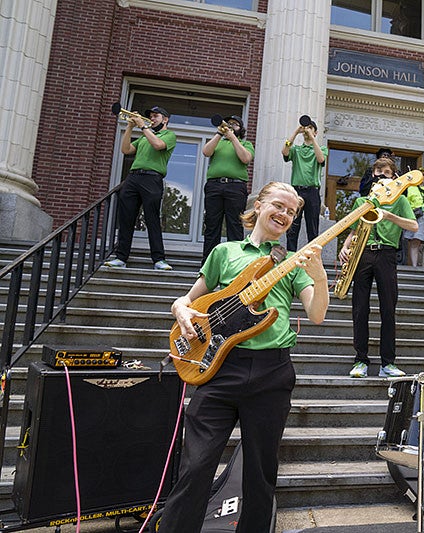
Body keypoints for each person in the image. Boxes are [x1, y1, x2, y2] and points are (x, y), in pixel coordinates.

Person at [156, 182, 329, 532]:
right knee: (195, 466)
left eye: (291, 212)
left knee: (260, 473)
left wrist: (320, 275)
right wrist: (179, 310)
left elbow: (316, 314)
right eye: (278, 206)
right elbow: (187, 301)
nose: (284, 214)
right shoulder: (225, 252)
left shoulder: (293, 262)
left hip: (271, 372)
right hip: (219, 369)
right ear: (259, 205)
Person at [340, 157, 418, 378]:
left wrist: (389, 215)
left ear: (394, 177)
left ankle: (387, 364)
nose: (382, 174)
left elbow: (414, 225)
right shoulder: (361, 202)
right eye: (378, 170)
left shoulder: (400, 201)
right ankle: (360, 360)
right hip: (362, 253)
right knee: (360, 309)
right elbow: (354, 230)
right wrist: (345, 248)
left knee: (388, 309)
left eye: (387, 171)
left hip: (386, 254)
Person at [105, 106, 176, 270]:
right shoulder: (144, 137)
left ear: (165, 119)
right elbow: (126, 149)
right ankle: (121, 257)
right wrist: (130, 127)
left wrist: (143, 126)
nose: (152, 118)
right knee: (126, 218)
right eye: (150, 116)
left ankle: (159, 259)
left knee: (152, 219)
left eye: (156, 116)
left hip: (152, 178)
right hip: (133, 177)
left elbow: (158, 145)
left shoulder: (169, 135)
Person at [201, 115, 255, 263]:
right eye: (229, 123)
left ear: (241, 129)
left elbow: (245, 158)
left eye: (235, 124)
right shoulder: (218, 141)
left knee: (234, 225)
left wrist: (233, 139)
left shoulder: (246, 143)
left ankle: (235, 263)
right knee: (212, 225)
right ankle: (208, 263)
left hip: (235, 187)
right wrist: (219, 134)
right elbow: (206, 152)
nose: (231, 126)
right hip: (214, 185)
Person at [281, 117, 328, 251]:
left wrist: (312, 139)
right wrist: (296, 132)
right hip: (296, 191)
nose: (307, 130)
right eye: (306, 128)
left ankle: (312, 256)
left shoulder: (321, 148)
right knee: (292, 226)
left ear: (316, 132)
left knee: (312, 227)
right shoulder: (296, 149)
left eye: (311, 128)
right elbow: (284, 151)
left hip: (312, 192)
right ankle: (290, 255)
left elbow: (321, 159)